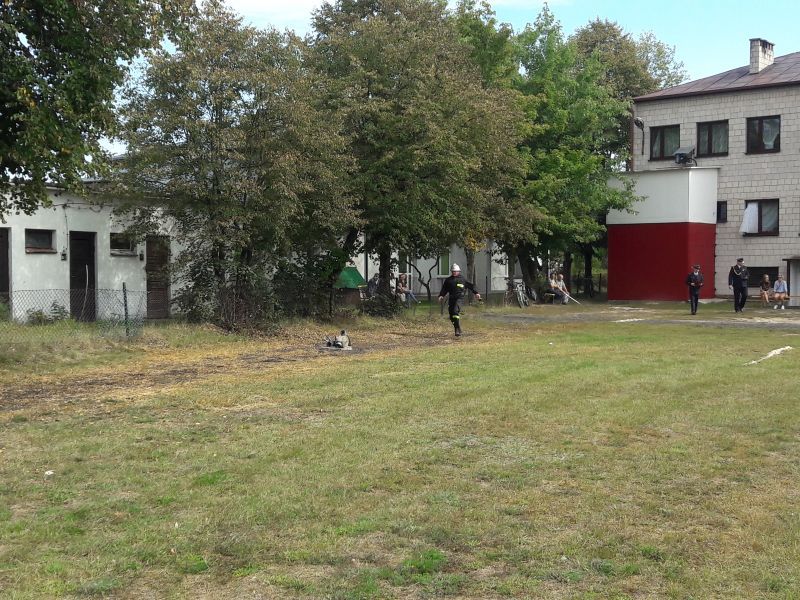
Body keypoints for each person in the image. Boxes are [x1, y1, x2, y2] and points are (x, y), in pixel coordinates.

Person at [438, 263, 481, 336]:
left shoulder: (462, 279)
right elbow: (444, 289)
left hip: (459, 298)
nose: (454, 272)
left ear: (459, 271)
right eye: (453, 271)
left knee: (455, 311)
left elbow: (471, 286)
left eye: (456, 271)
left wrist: (476, 293)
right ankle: (458, 327)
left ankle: (457, 329)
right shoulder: (448, 280)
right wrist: (441, 295)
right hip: (451, 299)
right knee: (451, 316)